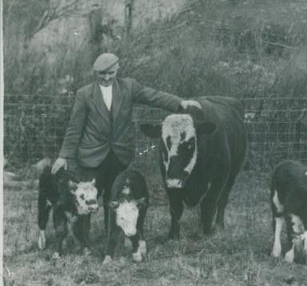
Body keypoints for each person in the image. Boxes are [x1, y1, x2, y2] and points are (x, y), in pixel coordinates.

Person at [51, 52, 200, 233]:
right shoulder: (84, 94)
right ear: (95, 73)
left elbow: (153, 96)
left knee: (115, 199)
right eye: (101, 74)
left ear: (117, 70)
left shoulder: (129, 87)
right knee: (85, 198)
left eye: (110, 73)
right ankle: (84, 243)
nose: (106, 78)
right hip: (91, 157)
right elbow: (75, 127)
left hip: (119, 156)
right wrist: (63, 156)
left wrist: (180, 103)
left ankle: (113, 240)